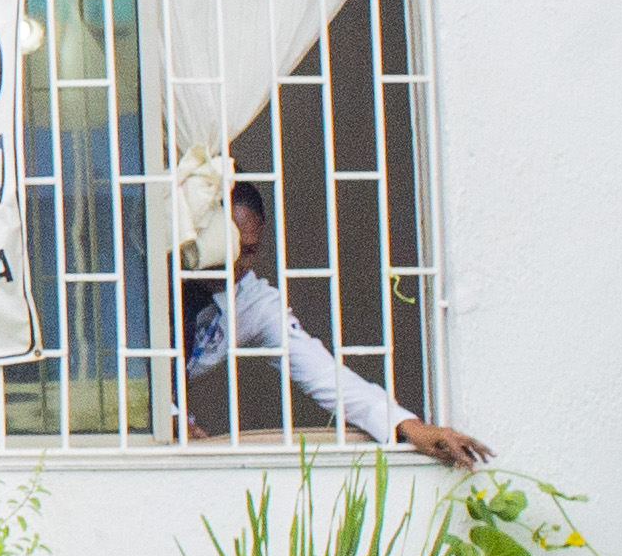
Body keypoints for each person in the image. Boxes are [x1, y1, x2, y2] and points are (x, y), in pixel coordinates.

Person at [183, 182, 489, 468]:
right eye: (226, 246)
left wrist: (408, 426)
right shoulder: (149, 287)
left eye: (248, 250)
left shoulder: (253, 302)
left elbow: (325, 374)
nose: (235, 261)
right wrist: (171, 417)